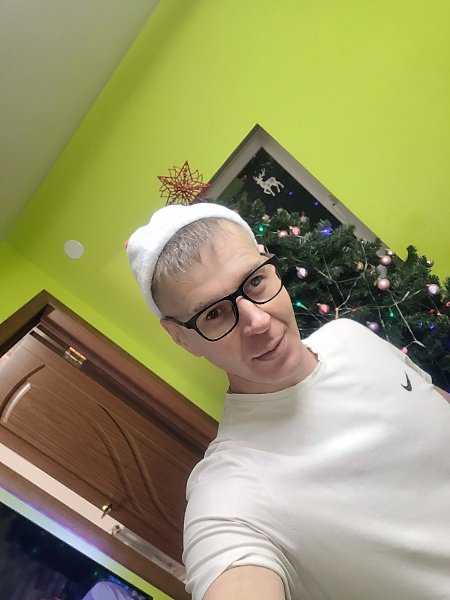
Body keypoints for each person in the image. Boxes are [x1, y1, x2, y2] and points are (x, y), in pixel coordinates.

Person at [127, 203, 450, 600]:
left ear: (270, 265)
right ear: (180, 337)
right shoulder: (230, 493)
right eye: (213, 314)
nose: (258, 321)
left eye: (255, 281)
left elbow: (433, 401)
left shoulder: (347, 334)